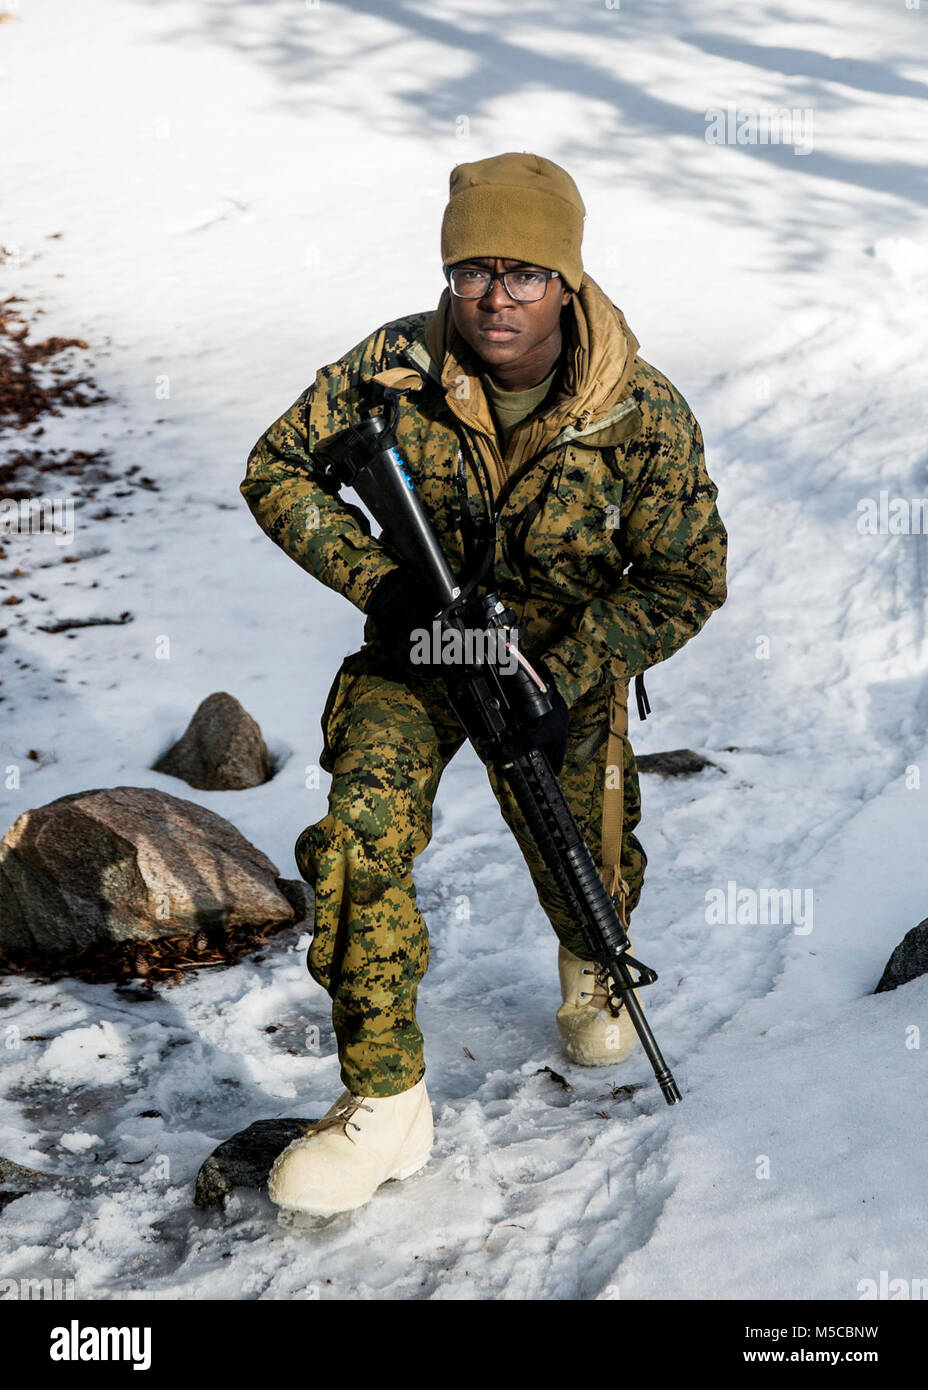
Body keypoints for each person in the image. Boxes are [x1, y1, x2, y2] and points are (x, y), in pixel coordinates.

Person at [240, 152, 727, 1217]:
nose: (493, 298)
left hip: (557, 654)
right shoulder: (391, 366)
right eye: (470, 271)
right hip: (420, 644)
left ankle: (590, 952)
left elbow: (689, 576)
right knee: (359, 830)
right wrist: (380, 585)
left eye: (521, 273)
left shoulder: (638, 412)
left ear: (566, 280)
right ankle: (384, 1100)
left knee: (584, 845)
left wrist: (570, 669)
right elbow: (275, 468)